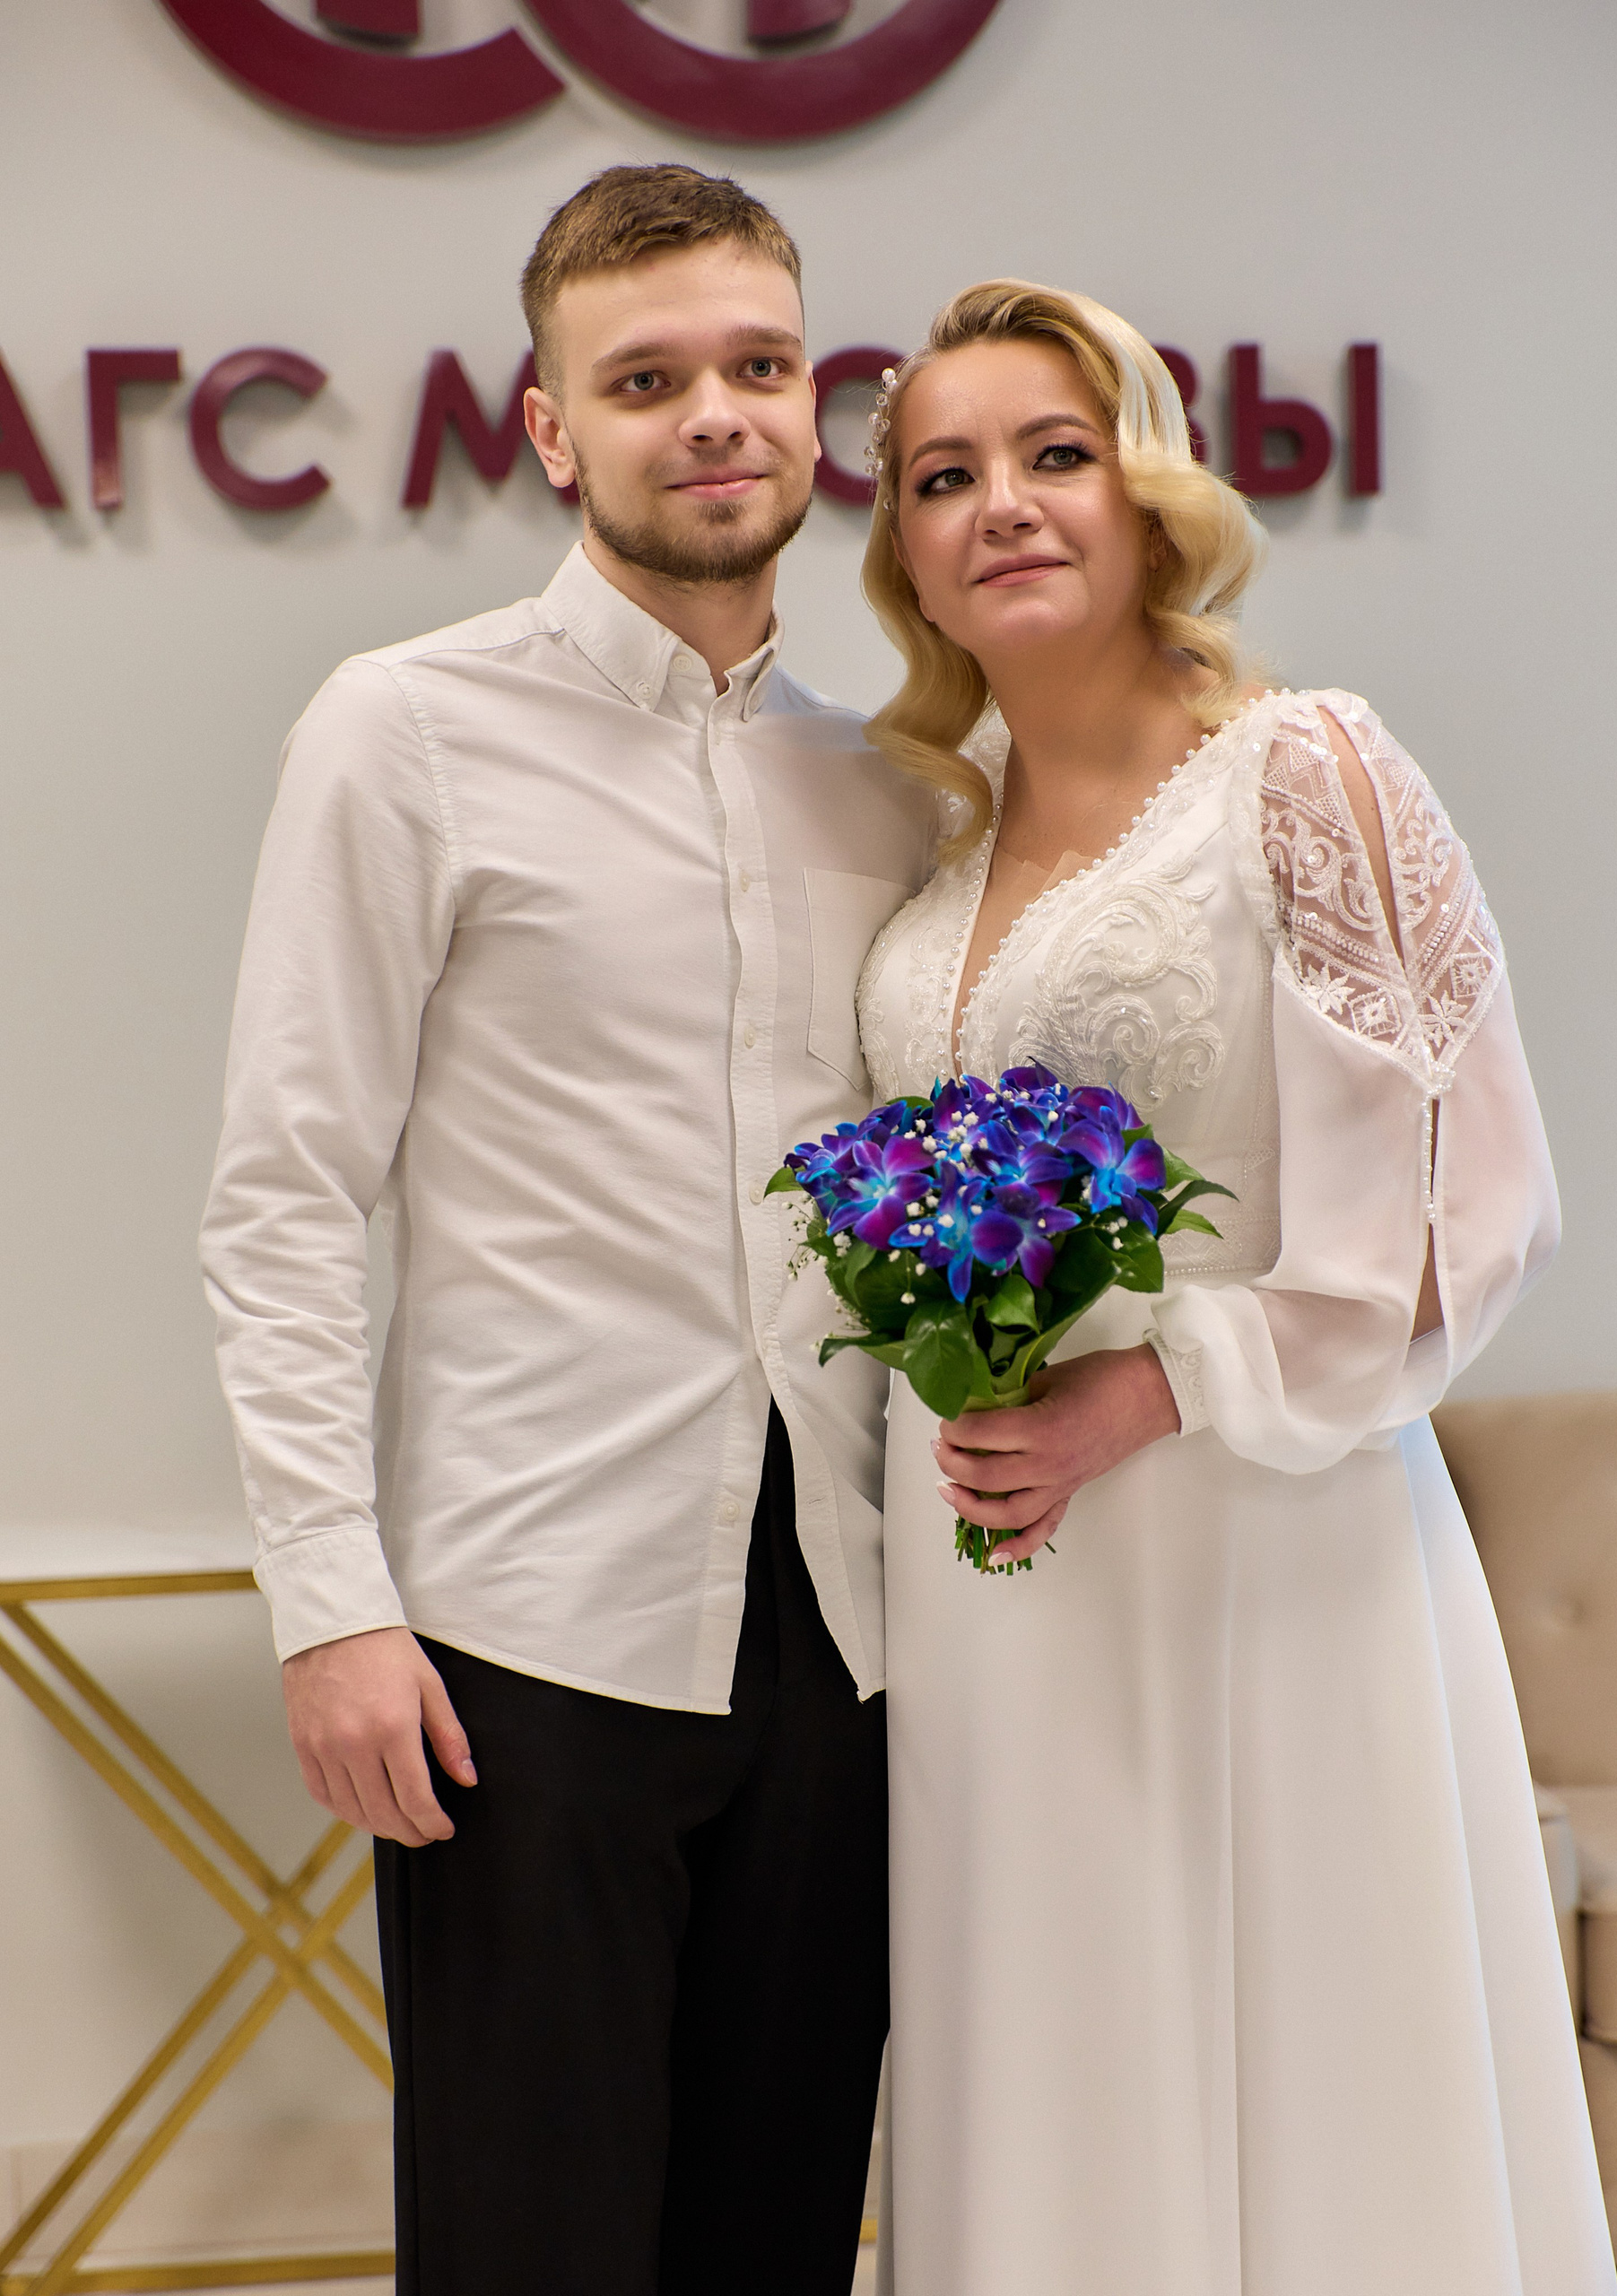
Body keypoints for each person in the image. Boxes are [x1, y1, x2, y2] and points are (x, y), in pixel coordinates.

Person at [200, 163, 934, 2296]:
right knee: (534, 2247)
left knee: (774, 2237)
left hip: (848, 1630)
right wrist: (331, 1603)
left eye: (759, 365)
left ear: (815, 405)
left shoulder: (890, 778)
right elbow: (283, 1192)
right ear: (548, 426)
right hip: (525, 1633)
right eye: (646, 378)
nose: (714, 414)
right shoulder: (402, 731)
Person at [854, 280, 1615, 2295]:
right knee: (1050, 2058)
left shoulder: (1306, 769)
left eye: (1055, 452)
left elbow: (1478, 1202)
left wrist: (1152, 1389)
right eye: (944, 475)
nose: (1003, 504)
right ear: (905, 549)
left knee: (1314, 2069)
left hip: (1265, 1536)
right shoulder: (932, 837)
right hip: (994, 1588)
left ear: (1151, 489)